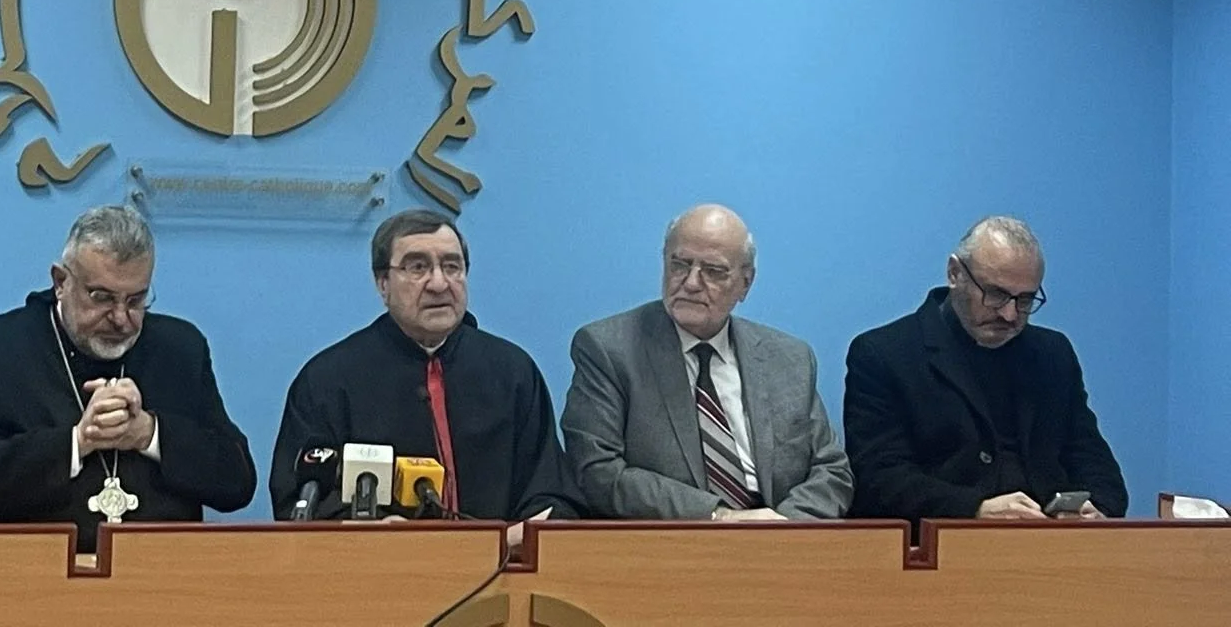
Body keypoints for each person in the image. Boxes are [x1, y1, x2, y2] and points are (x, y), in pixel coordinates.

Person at [0, 205, 255, 550]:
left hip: (160, 571)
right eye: (102, 298)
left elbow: (238, 480)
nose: (121, 319)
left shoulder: (181, 349)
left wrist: (149, 433)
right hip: (27, 570)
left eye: (136, 300)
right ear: (61, 282)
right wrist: (78, 442)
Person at [270, 209, 584, 530]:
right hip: (379, 558)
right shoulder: (328, 379)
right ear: (382, 283)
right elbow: (299, 499)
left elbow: (549, 489)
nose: (438, 283)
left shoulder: (513, 371)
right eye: (417, 267)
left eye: (452, 266)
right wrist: (374, 529)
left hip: (502, 556)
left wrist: (524, 532)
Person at [560, 204, 851, 520]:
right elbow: (598, 471)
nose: (691, 282)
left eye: (713, 271)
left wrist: (782, 528)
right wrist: (720, 517)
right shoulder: (610, 349)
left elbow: (831, 470)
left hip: (782, 535)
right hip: (672, 540)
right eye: (680, 265)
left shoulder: (790, 359)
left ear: (745, 283)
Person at [844, 216, 1126, 524]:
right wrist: (974, 508)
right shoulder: (884, 353)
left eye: (1025, 299)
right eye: (996, 294)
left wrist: (1096, 507)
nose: (1009, 314)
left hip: (1050, 539)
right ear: (955, 273)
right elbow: (879, 479)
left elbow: (1094, 461)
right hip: (942, 541)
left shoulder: (1053, 353)